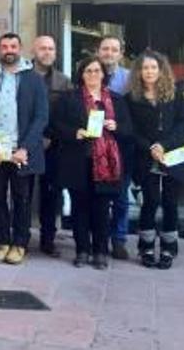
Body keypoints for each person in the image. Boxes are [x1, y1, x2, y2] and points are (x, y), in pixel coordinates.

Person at [0, 33, 48, 265]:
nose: (9, 50)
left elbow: (41, 117)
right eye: (4, 46)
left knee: (21, 198)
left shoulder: (33, 79)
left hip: (20, 151)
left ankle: (19, 244)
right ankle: (3, 242)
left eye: (13, 46)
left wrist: (25, 148)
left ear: (20, 48)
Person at [53, 57, 131, 270]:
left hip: (107, 165)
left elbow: (128, 130)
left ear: (103, 74)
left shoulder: (116, 99)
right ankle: (82, 251)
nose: (93, 75)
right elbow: (54, 126)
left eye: (97, 71)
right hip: (78, 161)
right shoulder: (70, 98)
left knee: (102, 209)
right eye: (88, 71)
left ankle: (100, 252)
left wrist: (116, 126)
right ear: (82, 74)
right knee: (80, 208)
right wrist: (74, 132)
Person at [127, 50, 184, 269]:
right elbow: (130, 130)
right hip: (146, 157)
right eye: (145, 68)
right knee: (151, 200)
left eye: (154, 67)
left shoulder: (174, 94)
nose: (150, 71)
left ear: (161, 70)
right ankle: (145, 246)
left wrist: (165, 144)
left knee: (171, 202)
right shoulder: (132, 98)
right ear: (139, 72)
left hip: (173, 155)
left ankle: (168, 248)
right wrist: (151, 147)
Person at [31, 35, 72, 257]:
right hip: (27, 144)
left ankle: (48, 239)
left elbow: (66, 115)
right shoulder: (23, 77)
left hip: (54, 146)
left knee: (52, 193)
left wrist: (51, 137)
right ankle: (21, 237)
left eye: (51, 49)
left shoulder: (64, 82)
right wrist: (34, 139)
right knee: (23, 192)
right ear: (34, 51)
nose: (47, 52)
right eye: (43, 48)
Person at [97, 35, 132, 260]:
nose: (109, 53)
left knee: (120, 198)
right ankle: (97, 238)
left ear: (120, 53)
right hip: (95, 149)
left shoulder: (130, 80)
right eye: (105, 49)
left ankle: (119, 240)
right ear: (98, 51)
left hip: (122, 147)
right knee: (97, 198)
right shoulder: (89, 74)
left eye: (113, 49)